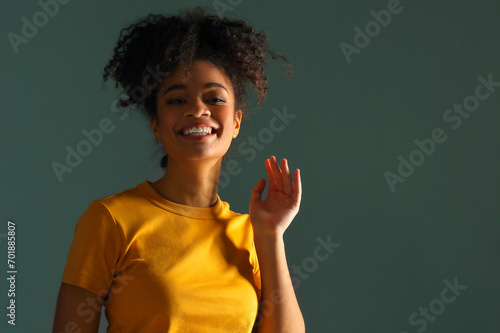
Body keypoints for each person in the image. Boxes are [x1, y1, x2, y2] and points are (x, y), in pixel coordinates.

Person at [52, 6, 305, 333]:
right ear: (156, 125)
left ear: (237, 122)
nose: (198, 109)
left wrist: (271, 237)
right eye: (176, 100)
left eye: (214, 98)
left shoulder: (252, 235)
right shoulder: (111, 219)